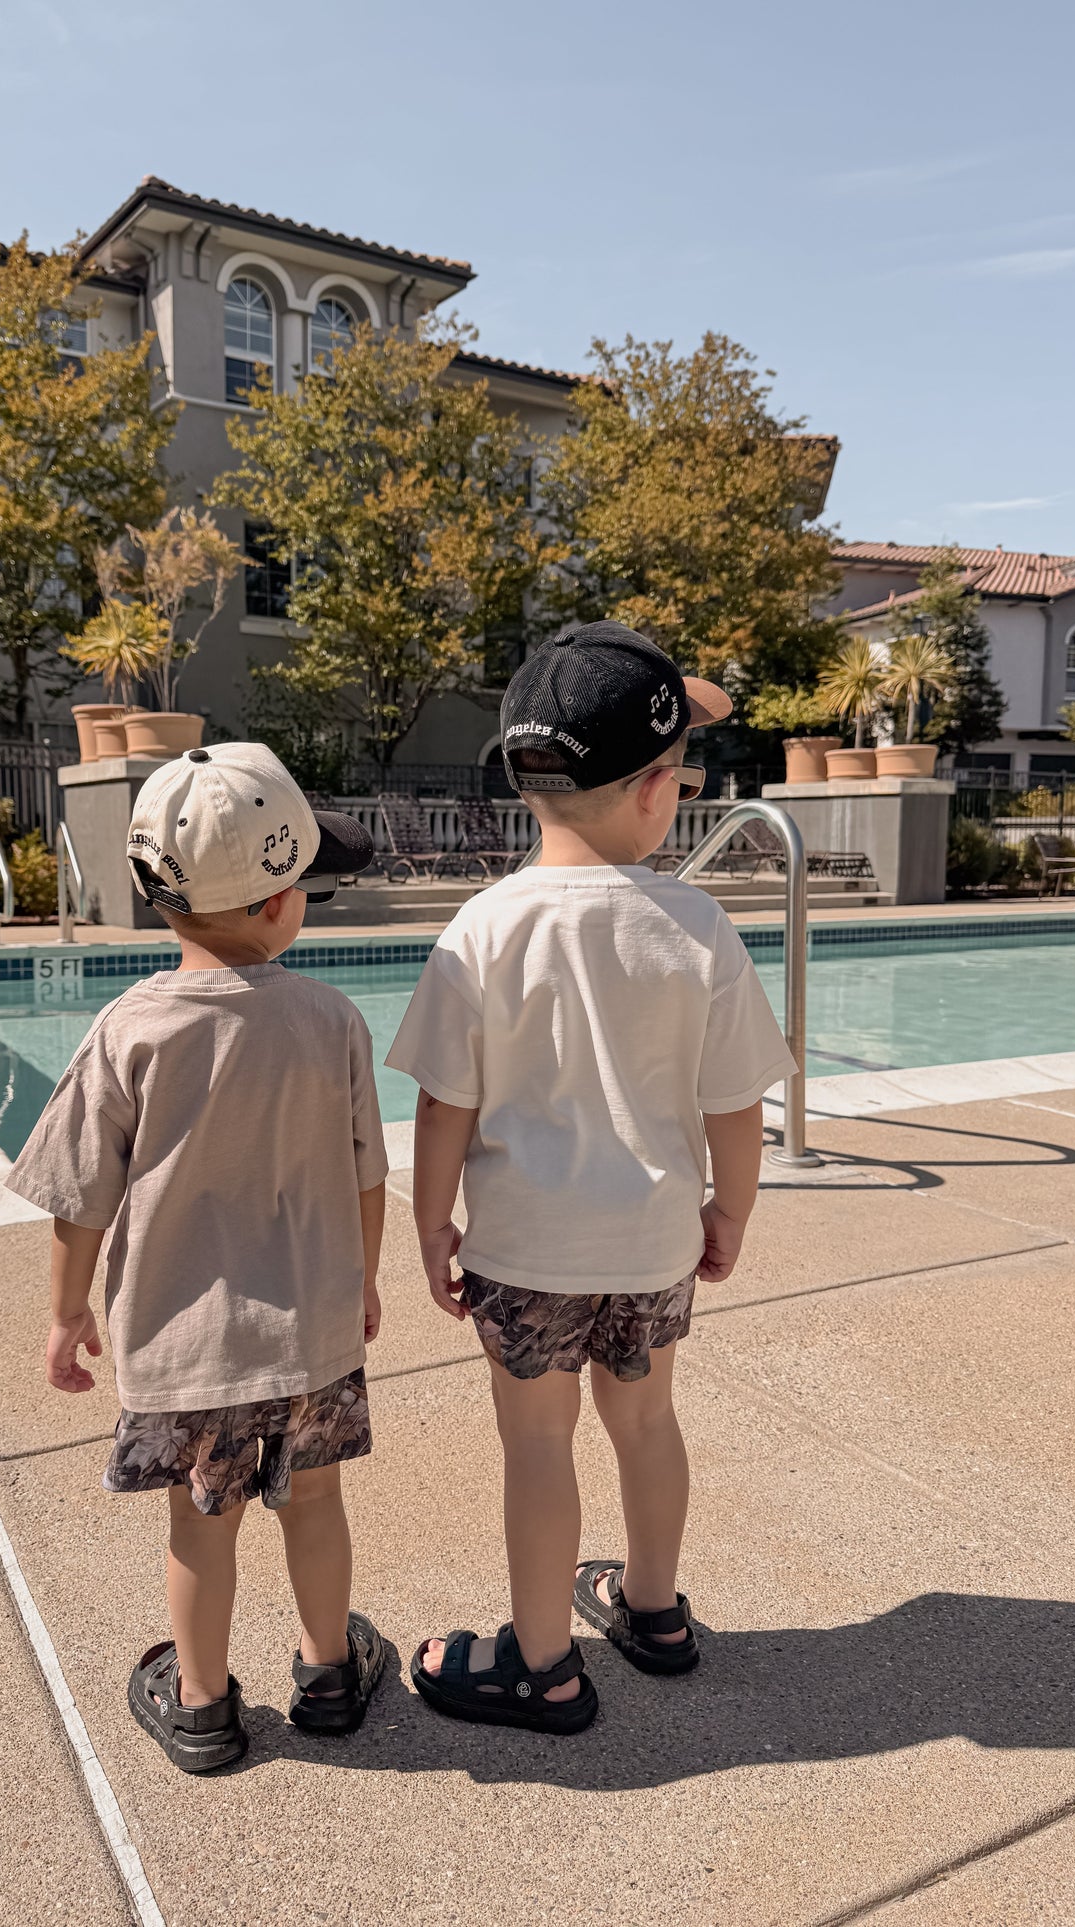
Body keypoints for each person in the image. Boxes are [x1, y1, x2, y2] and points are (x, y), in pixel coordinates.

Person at [387, 621, 796, 1733]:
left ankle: (541, 1663)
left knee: (535, 1441)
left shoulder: (479, 928)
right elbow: (734, 1104)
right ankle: (654, 1610)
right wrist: (730, 1210)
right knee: (646, 1421)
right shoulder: (696, 926)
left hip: (525, 1250)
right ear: (658, 789)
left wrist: (430, 1226)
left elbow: (441, 1103)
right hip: (654, 1241)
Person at [6, 744, 389, 1773]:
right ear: (276, 906)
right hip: (310, 1329)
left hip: (187, 1348)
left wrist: (65, 1312)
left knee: (200, 1522)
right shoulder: (332, 1021)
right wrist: (363, 1279)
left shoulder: (129, 1029)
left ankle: (203, 1704)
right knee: (314, 1502)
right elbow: (365, 1176)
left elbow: (77, 1195)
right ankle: (327, 1676)